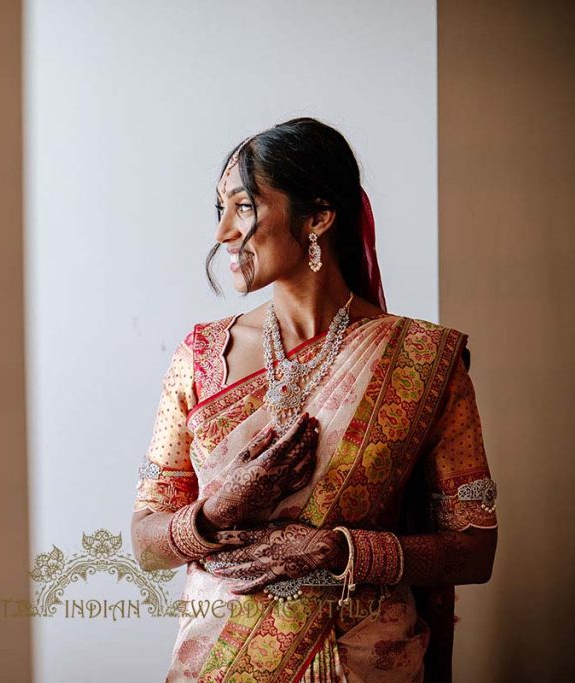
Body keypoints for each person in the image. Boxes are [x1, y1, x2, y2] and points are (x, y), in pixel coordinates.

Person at [130, 117, 498, 683]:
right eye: (219, 210)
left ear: (318, 218)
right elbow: (147, 543)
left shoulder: (424, 358)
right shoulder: (199, 357)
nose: (224, 231)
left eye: (244, 207)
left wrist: (338, 551)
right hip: (222, 661)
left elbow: (473, 551)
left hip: (366, 661)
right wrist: (217, 511)